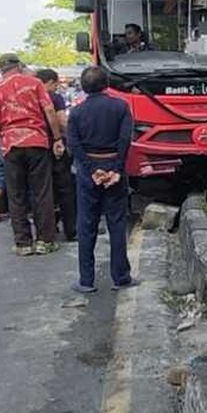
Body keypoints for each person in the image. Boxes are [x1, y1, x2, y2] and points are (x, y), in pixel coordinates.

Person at [0, 53, 63, 256]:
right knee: (42, 193)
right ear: (19, 65)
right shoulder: (34, 83)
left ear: (1, 70)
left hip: (11, 146)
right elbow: (50, 112)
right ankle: (45, 241)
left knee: (16, 195)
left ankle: (23, 243)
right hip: (37, 142)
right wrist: (57, 139)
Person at [67, 66, 135, 292]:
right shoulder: (121, 107)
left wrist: (91, 170)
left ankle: (86, 280)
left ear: (84, 87)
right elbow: (125, 140)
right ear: (106, 84)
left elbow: (74, 145)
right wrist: (116, 169)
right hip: (114, 170)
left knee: (86, 226)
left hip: (89, 174)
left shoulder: (76, 113)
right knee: (117, 224)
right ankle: (121, 277)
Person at [36, 68, 78, 242]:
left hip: (36, 147)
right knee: (65, 189)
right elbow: (62, 121)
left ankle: (46, 231)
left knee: (42, 190)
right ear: (51, 82)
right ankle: (71, 230)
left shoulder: (29, 97)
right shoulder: (54, 98)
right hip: (55, 146)